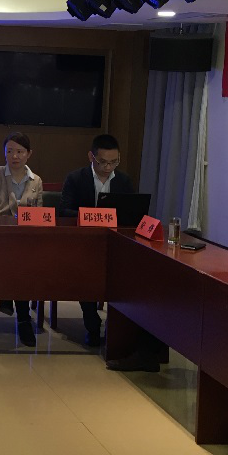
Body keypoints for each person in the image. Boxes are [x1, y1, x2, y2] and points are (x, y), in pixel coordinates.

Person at [59, 133, 135, 347]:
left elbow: (132, 213)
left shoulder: (124, 181)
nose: (108, 167)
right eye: (103, 162)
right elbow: (63, 210)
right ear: (91, 157)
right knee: (86, 273)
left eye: (114, 162)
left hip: (114, 243)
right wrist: (92, 216)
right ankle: (92, 324)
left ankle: (117, 326)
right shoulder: (76, 178)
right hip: (83, 243)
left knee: (127, 274)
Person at [0, 132, 43, 347]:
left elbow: (38, 215)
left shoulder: (36, 180)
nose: (14, 156)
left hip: (24, 240)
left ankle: (16, 309)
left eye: (20, 151)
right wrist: (5, 221)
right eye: (10, 151)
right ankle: (23, 317)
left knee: (22, 258)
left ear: (29, 154)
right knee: (17, 259)